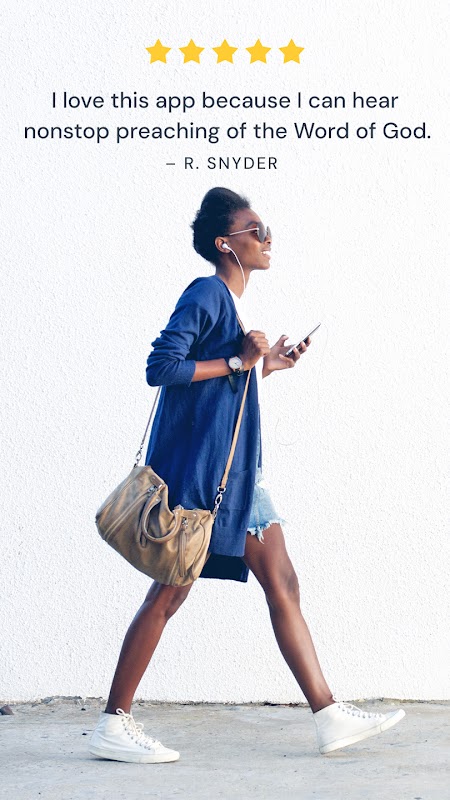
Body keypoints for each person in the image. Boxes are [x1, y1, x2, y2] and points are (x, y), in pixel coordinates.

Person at [89, 187, 405, 762]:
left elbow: (221, 388)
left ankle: (328, 714)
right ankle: (113, 722)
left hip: (238, 479)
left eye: (266, 230)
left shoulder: (229, 307)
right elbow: (162, 367)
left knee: (282, 581)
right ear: (225, 244)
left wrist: (265, 366)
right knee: (168, 594)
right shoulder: (207, 292)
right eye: (255, 230)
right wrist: (239, 360)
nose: (266, 238)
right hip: (206, 480)